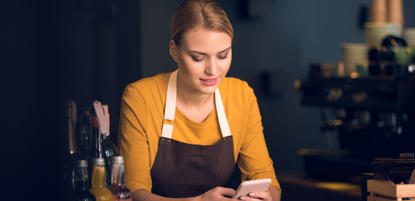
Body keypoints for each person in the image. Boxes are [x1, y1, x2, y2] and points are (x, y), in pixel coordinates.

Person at [118, 0, 281, 200]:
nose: (212, 70)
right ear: (174, 50)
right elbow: (133, 194)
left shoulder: (241, 95)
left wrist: (266, 197)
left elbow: (267, 180)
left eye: (223, 55)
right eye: (197, 57)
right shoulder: (141, 97)